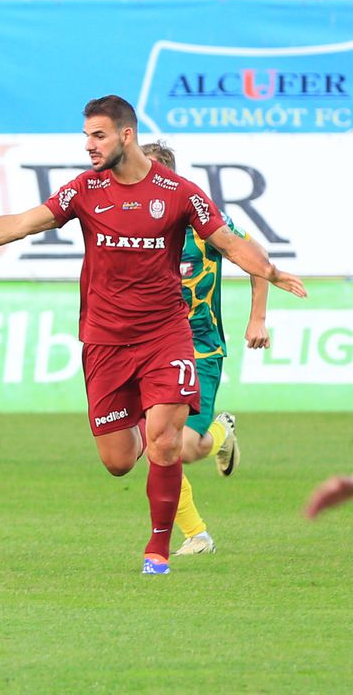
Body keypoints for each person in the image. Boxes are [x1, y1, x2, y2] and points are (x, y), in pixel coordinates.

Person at [0, 95, 307, 575]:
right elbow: (21, 224)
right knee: (118, 461)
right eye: (86, 137)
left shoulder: (179, 192)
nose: (90, 146)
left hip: (166, 334)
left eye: (98, 136)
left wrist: (271, 271)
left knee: (166, 440)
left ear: (125, 135)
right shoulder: (83, 191)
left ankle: (158, 550)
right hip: (106, 342)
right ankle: (159, 450)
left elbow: (230, 241)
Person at [141, 141, 270, 556]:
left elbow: (257, 256)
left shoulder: (201, 220)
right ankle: (196, 535)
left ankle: (219, 431)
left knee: (184, 448)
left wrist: (257, 319)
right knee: (154, 444)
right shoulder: (131, 224)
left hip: (199, 348)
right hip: (150, 346)